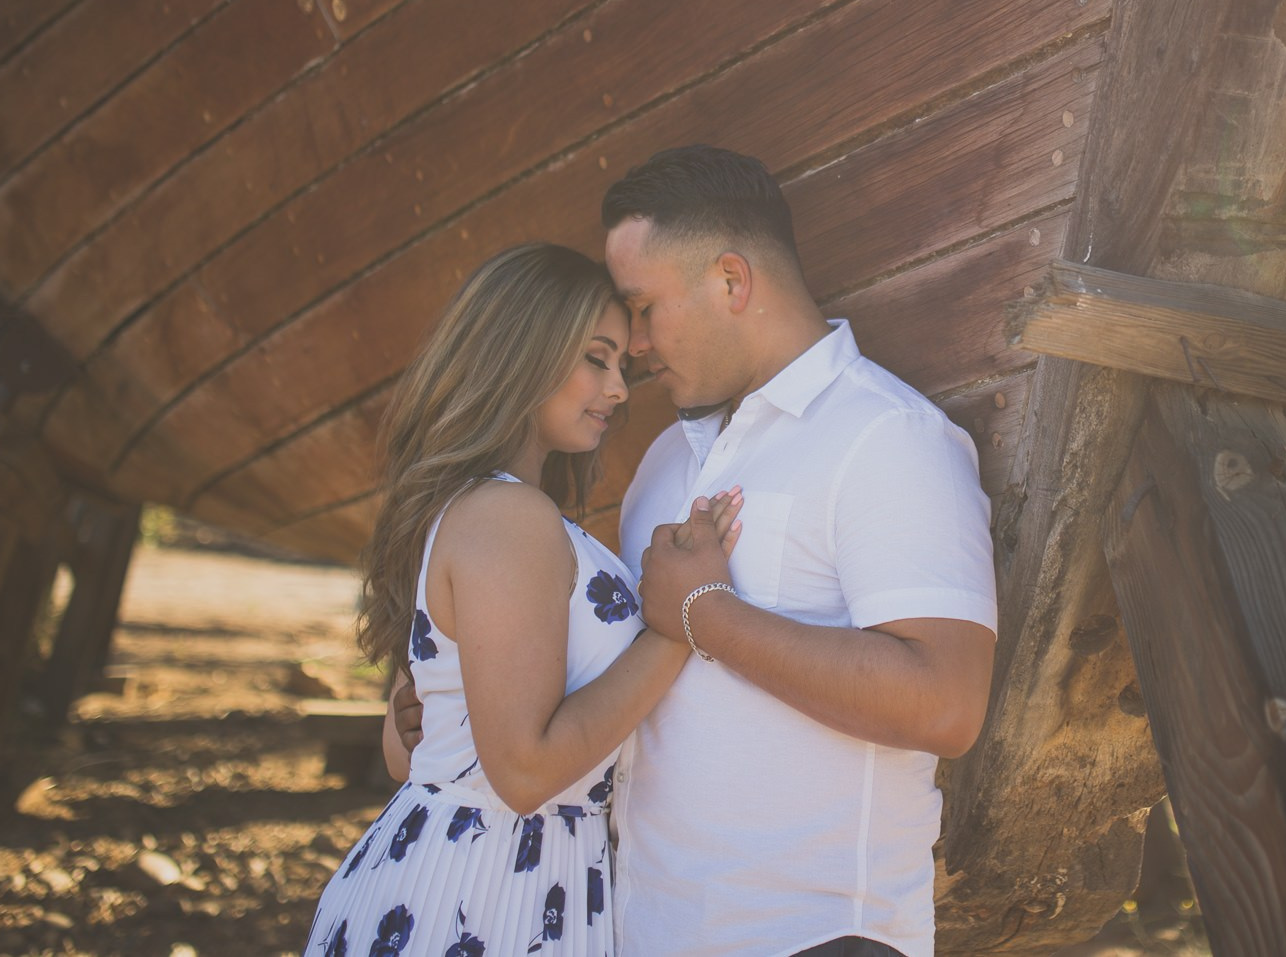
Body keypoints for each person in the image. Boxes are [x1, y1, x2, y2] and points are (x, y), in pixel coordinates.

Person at [604, 145, 999, 957]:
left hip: (814, 939)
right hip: (646, 931)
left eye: (643, 307)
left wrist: (705, 614)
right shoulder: (664, 461)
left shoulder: (889, 437)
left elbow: (945, 705)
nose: (633, 342)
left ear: (730, 281)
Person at [304, 242, 739, 957]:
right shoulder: (510, 517)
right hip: (482, 894)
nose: (620, 388)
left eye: (622, 366)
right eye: (595, 359)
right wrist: (679, 620)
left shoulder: (491, 508)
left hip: (511, 879)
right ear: (521, 354)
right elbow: (524, 771)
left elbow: (413, 742)